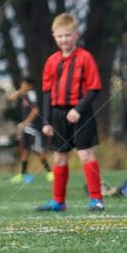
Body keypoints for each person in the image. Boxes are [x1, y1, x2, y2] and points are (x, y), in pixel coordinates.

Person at [36, 13, 104, 212]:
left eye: (68, 35)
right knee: (59, 158)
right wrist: (46, 121)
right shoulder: (51, 61)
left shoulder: (85, 58)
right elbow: (47, 92)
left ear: (76, 35)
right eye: (60, 36)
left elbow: (94, 88)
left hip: (80, 114)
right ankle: (58, 201)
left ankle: (96, 199)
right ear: (54, 36)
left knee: (86, 154)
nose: (64, 40)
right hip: (58, 116)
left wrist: (78, 109)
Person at [6, 77, 51, 183]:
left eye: (25, 84)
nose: (23, 86)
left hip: (33, 126)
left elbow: (36, 109)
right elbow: (11, 98)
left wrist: (26, 122)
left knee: (38, 149)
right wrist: (20, 91)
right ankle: (23, 174)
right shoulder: (23, 94)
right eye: (22, 84)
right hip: (26, 127)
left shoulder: (32, 94)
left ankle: (49, 172)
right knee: (25, 151)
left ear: (30, 85)